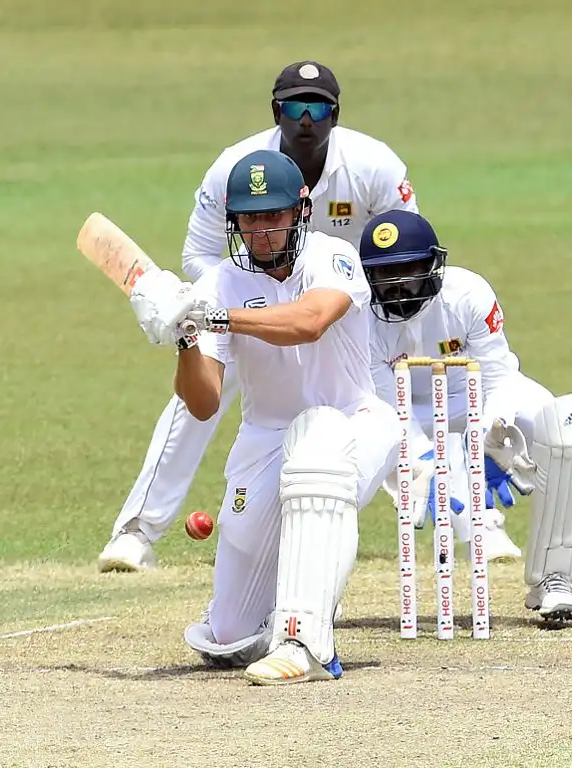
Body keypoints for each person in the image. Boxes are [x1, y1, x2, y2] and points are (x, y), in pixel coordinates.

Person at [99, 60, 419, 572]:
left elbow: (403, 250)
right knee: (192, 398)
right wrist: (206, 311)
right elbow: (200, 254)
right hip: (245, 301)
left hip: (350, 306)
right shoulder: (233, 168)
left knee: (384, 405)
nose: (306, 119)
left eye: (318, 108)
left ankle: (461, 519)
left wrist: (337, 305)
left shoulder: (374, 165)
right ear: (276, 111)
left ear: (336, 114)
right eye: (295, 107)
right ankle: (137, 531)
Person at [129, 149, 399, 683]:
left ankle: (305, 643)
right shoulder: (217, 284)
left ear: (301, 210)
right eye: (250, 219)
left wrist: (218, 317)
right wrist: (185, 336)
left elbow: (310, 322)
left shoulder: (333, 255)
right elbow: (203, 402)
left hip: (352, 421)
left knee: (317, 448)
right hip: (264, 439)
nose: (262, 231)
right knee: (229, 634)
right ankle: (292, 604)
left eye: (273, 215)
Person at [360, 210, 572, 628]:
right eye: (384, 273)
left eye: (407, 270)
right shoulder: (360, 317)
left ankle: (554, 580)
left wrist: (489, 440)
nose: (396, 284)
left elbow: (499, 380)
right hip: (406, 409)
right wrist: (424, 465)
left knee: (564, 424)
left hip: (482, 394)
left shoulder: (468, 294)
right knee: (333, 453)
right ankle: (319, 594)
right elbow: (389, 407)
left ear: (432, 264)